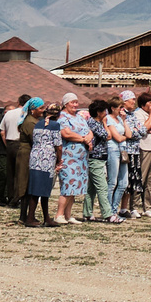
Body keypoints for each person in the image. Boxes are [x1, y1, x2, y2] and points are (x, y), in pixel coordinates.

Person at [22, 100, 61, 228]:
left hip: (35, 158)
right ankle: (30, 218)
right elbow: (58, 145)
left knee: (39, 188)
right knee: (41, 189)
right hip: (47, 159)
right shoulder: (55, 125)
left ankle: (46, 218)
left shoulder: (38, 124)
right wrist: (59, 160)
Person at [57, 93, 94, 224]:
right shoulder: (62, 117)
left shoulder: (79, 117)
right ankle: (59, 214)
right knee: (68, 185)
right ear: (65, 103)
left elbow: (89, 131)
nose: (75, 105)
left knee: (75, 187)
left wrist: (89, 138)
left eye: (76, 102)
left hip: (81, 158)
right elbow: (66, 133)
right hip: (69, 157)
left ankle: (68, 215)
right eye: (72, 102)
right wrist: (83, 139)